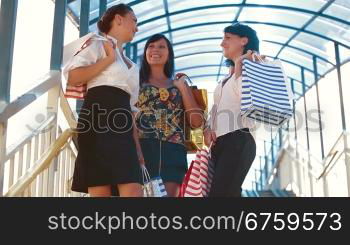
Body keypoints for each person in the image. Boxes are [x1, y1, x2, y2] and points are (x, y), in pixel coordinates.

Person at [63, 4, 143, 197]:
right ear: (118, 19)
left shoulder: (133, 66)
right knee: (100, 191)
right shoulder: (96, 44)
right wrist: (108, 59)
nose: (137, 27)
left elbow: (132, 110)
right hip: (96, 120)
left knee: (133, 188)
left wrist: (138, 149)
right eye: (134, 21)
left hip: (123, 123)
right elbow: (73, 77)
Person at [136, 34, 203, 197]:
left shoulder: (178, 85)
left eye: (161, 46)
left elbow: (196, 122)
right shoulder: (135, 82)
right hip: (143, 148)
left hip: (173, 151)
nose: (155, 50)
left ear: (169, 54)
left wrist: (183, 88)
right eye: (150, 46)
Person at [204, 23, 261, 197]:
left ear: (244, 40)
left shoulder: (257, 66)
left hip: (239, 138)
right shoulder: (225, 77)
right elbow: (217, 107)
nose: (222, 43)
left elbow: (248, 102)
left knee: (221, 194)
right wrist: (208, 127)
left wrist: (240, 67)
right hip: (220, 143)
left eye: (227, 38)